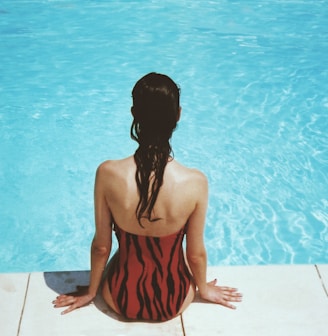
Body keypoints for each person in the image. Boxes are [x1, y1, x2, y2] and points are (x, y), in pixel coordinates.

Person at [53, 72, 242, 321]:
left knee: (125, 255)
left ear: (134, 113)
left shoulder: (108, 173)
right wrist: (204, 289)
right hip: (174, 301)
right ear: (178, 114)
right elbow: (195, 254)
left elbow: (101, 247)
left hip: (119, 297)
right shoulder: (195, 181)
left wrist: (91, 292)